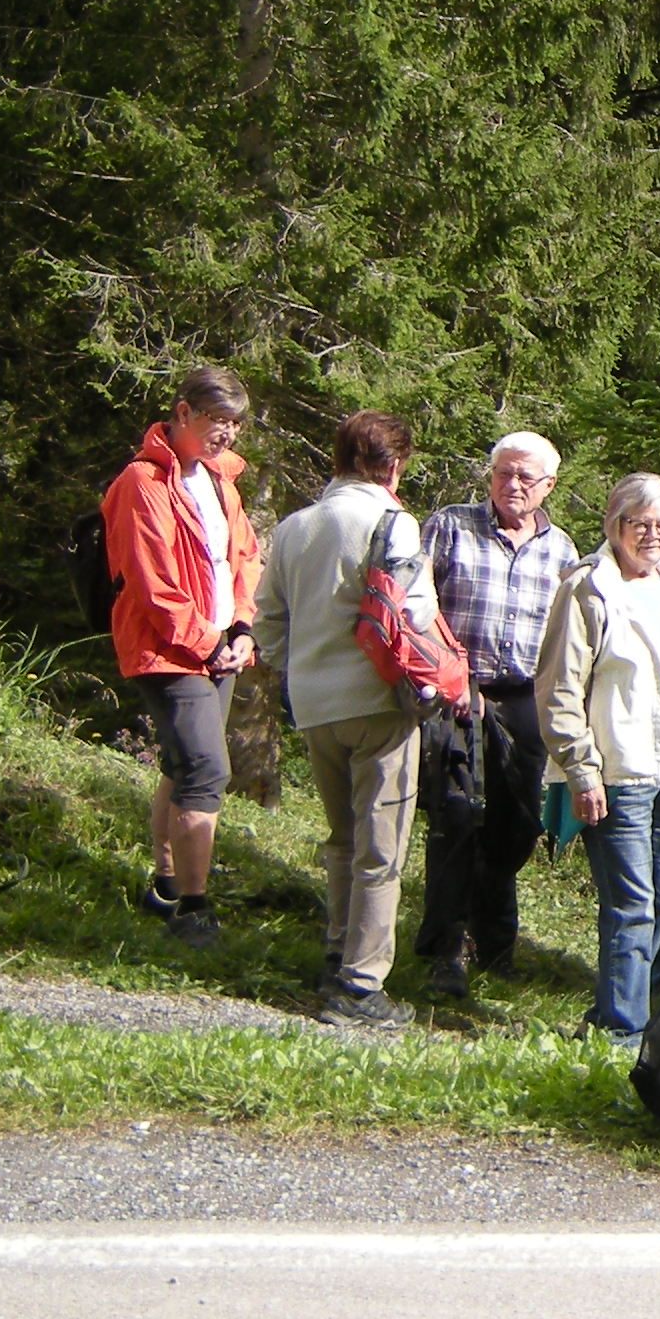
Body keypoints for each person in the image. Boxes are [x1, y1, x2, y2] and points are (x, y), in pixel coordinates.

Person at [249, 410, 439, 1029]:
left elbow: (267, 619)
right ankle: (361, 987)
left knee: (341, 838)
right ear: (393, 465)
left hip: (313, 704)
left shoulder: (294, 527)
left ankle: (336, 952)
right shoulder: (393, 521)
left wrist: (293, 670)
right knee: (380, 849)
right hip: (379, 701)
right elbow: (412, 614)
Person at [534, 474, 660, 1047]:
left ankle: (627, 1014)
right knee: (631, 905)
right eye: (640, 524)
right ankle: (620, 1029)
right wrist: (580, 769)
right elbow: (559, 688)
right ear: (616, 525)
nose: (652, 536)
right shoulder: (589, 588)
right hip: (620, 768)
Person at [103, 365, 262, 949]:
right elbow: (153, 585)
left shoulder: (222, 480)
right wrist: (209, 642)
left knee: (180, 764)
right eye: (217, 421)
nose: (226, 435)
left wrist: (243, 626)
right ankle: (193, 909)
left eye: (234, 425)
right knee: (205, 770)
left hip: (218, 648)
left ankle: (166, 886)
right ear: (182, 413)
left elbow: (244, 556)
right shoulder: (142, 483)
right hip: (166, 651)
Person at [418, 432, 579, 998]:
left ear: (548, 487)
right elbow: (416, 606)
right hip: (458, 692)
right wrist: (445, 675)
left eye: (525, 478)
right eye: (503, 473)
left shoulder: (563, 551)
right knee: (457, 817)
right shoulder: (449, 526)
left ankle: (495, 941)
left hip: (526, 699)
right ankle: (447, 948)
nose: (512, 485)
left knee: (514, 826)